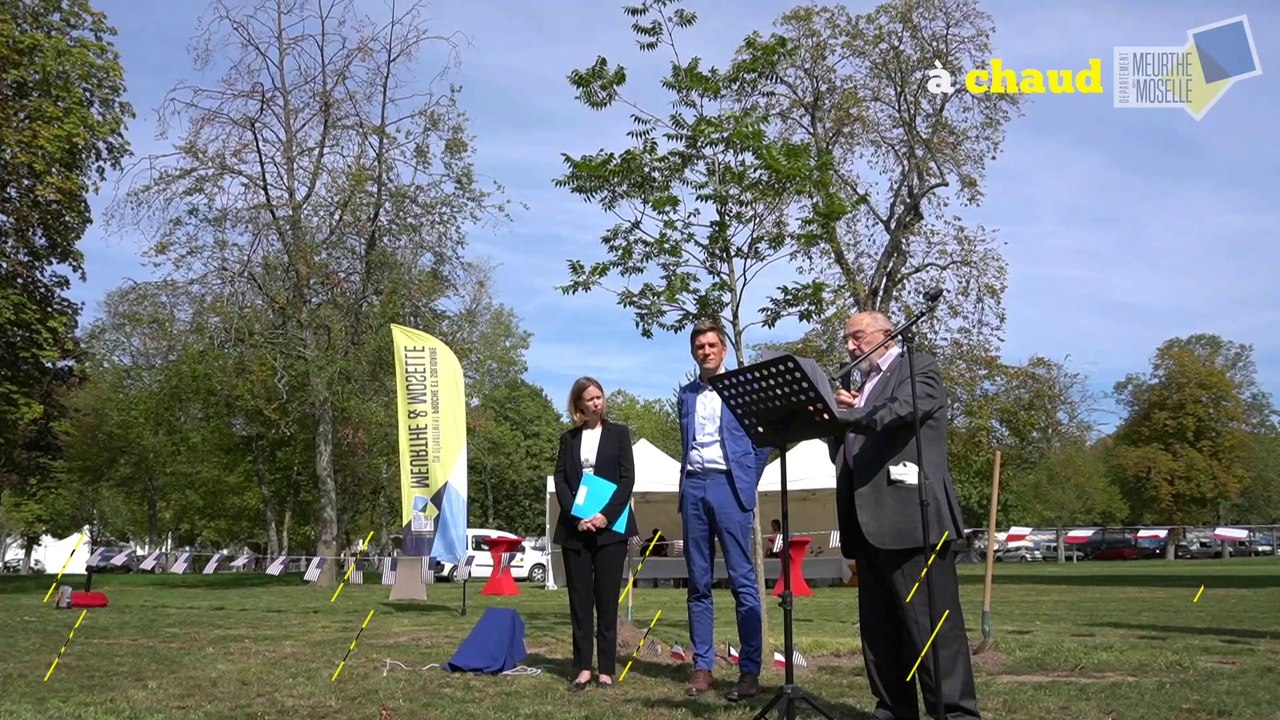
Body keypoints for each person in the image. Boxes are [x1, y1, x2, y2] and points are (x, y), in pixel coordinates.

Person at [827, 311, 979, 720]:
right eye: (847, 339)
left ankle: (955, 712)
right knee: (879, 630)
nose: (850, 347)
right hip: (866, 522)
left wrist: (850, 413)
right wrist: (837, 422)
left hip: (911, 519)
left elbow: (902, 411)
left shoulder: (918, 367)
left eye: (858, 337)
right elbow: (848, 452)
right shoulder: (860, 387)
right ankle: (892, 707)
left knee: (932, 628)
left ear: (886, 336)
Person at [676, 320, 772, 701]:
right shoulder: (686, 394)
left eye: (712, 344)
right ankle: (703, 667)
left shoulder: (742, 389)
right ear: (694, 352)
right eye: (700, 346)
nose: (706, 351)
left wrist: (746, 479)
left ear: (724, 350)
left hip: (730, 486)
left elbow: (764, 442)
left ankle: (749, 672)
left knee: (743, 581)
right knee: (698, 583)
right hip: (694, 486)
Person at [552, 377, 639, 691]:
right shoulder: (569, 438)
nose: (596, 403)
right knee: (580, 601)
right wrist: (577, 516)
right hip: (576, 529)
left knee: (606, 601)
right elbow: (560, 479)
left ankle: (606, 669)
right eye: (589, 399)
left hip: (610, 529)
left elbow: (627, 478)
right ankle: (583, 667)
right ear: (578, 405)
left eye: (599, 397)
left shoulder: (618, 434)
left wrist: (605, 516)